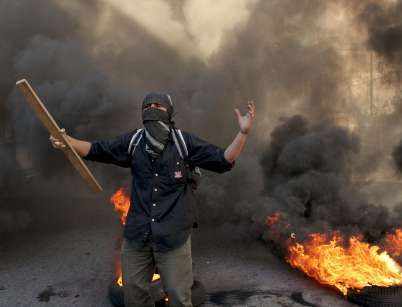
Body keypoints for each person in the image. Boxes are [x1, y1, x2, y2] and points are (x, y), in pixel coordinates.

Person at [50, 93, 255, 307]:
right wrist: (68, 142)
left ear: (169, 112)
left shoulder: (183, 143)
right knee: (133, 294)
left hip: (173, 236)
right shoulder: (134, 141)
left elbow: (224, 159)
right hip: (138, 235)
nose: (152, 109)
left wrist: (243, 133)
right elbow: (97, 150)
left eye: (158, 105)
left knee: (178, 296)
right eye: (147, 106)